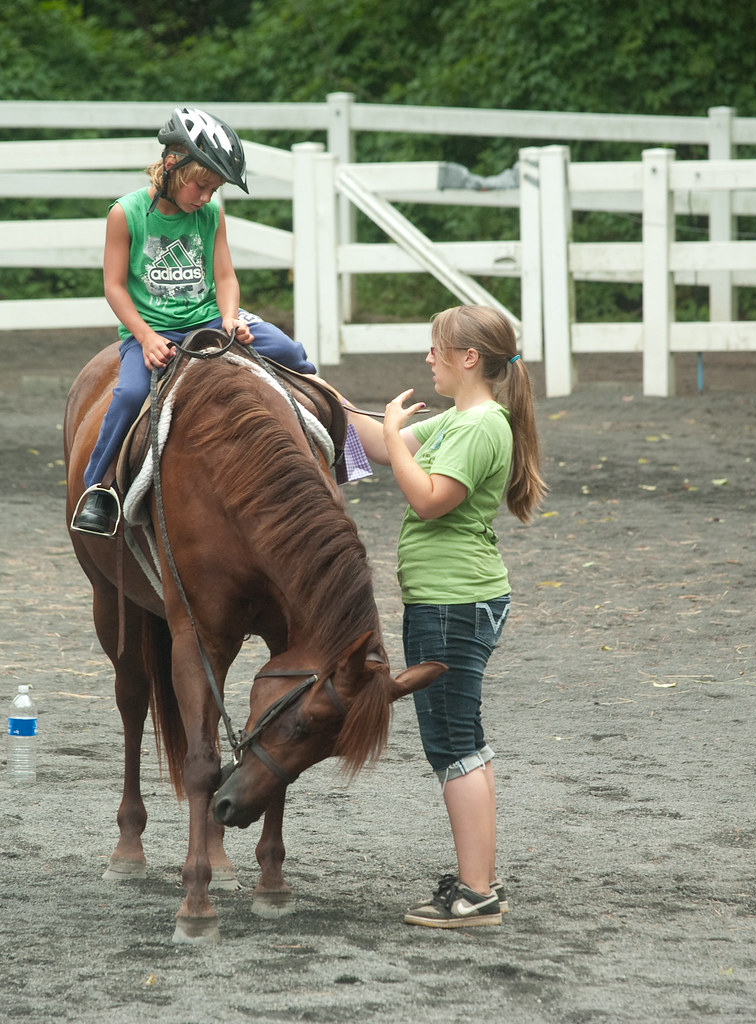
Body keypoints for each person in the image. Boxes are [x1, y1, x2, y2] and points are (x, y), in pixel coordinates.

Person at [344, 304, 545, 928]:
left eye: (437, 348)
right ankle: (479, 881)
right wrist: (308, 380)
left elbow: (431, 500)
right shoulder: (461, 418)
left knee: (453, 742)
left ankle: (476, 893)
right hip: (448, 601)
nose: (429, 358)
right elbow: (378, 446)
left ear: (469, 358)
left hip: (454, 605)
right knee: (462, 739)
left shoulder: (480, 426)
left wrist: (395, 434)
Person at [73, 107, 315, 536]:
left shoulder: (211, 214)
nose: (205, 197)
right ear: (172, 164)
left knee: (291, 353)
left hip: (209, 319)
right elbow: (114, 287)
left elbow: (225, 276)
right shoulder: (126, 213)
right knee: (129, 395)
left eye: (213, 189)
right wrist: (145, 337)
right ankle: (99, 487)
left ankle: (326, 444)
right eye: (200, 185)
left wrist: (230, 319)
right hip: (153, 329)